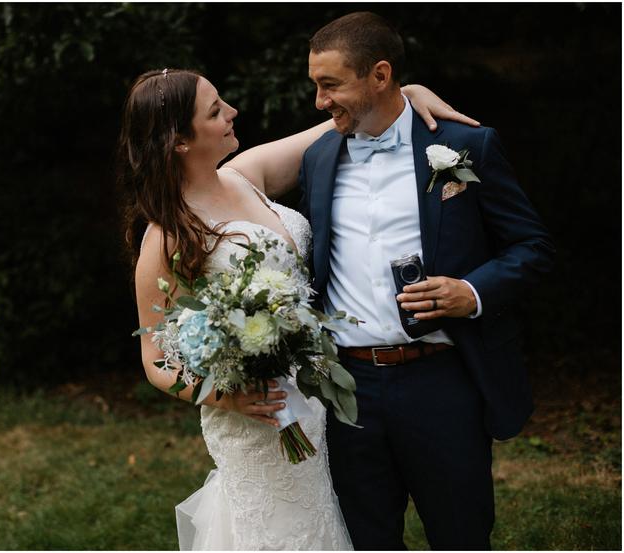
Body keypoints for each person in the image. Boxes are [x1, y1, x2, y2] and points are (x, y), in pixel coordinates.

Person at [119, 67, 476, 550]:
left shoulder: (245, 175)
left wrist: (401, 93)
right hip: (259, 418)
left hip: (321, 403)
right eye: (215, 110)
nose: (232, 112)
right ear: (180, 141)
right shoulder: (168, 235)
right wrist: (229, 396)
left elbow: (337, 125)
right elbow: (156, 359)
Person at [293, 12, 556, 550]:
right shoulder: (318, 159)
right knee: (366, 538)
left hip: (442, 379)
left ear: (381, 75)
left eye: (331, 85)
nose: (320, 101)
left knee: (460, 533)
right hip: (350, 390)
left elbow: (533, 247)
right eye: (316, 86)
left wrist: (473, 292)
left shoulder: (464, 147)